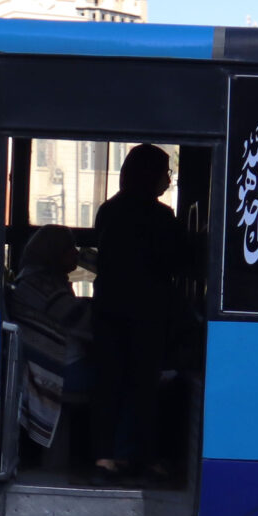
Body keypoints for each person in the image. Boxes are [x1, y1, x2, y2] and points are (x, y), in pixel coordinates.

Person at [88, 144, 180, 481]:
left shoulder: (107, 210)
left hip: (109, 309)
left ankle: (104, 458)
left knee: (108, 382)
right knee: (144, 385)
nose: (168, 180)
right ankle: (145, 458)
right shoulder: (161, 217)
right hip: (147, 313)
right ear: (150, 175)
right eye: (165, 172)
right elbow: (171, 262)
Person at [10, 225, 93, 457]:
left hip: (52, 365)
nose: (76, 253)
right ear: (54, 253)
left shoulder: (36, 280)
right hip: (56, 372)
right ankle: (107, 458)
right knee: (121, 380)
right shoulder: (44, 287)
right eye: (70, 248)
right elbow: (85, 324)